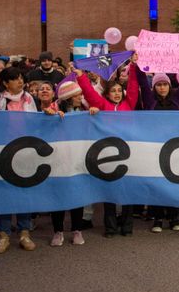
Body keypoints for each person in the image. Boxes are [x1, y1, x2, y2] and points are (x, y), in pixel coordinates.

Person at [74, 62, 139, 237]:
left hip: (128, 154)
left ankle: (127, 227)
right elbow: (89, 93)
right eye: (113, 91)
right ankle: (110, 228)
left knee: (127, 192)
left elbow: (133, 86)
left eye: (119, 90)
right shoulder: (102, 105)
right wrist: (81, 75)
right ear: (108, 93)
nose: (117, 93)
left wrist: (133, 66)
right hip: (108, 154)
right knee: (109, 193)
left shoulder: (129, 104)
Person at [135, 60, 179, 233]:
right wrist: (137, 64)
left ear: (169, 86)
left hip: (175, 147)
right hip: (155, 148)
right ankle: (157, 218)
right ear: (154, 87)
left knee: (175, 182)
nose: (162, 88)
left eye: (165, 84)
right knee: (157, 184)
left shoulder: (177, 98)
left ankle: (175, 217)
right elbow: (141, 80)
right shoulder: (149, 100)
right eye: (159, 85)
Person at [0, 67, 37, 254]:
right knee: (3, 192)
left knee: (24, 190)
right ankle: (4, 234)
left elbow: (37, 122)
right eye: (14, 79)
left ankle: (24, 232)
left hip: (25, 150)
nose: (19, 81)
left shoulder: (30, 99)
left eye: (21, 78)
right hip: (2, 151)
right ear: (6, 83)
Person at [49, 81, 95, 246]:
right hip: (59, 159)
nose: (80, 97)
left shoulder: (84, 109)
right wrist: (52, 118)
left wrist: (94, 113)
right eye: (77, 95)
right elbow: (44, 128)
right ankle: (58, 231)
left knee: (78, 194)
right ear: (68, 97)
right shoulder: (54, 109)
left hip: (78, 158)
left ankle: (77, 230)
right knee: (59, 195)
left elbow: (93, 125)